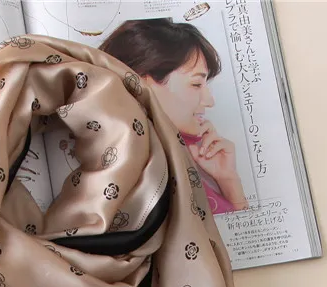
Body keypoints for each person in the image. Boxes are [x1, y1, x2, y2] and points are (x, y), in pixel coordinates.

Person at [100, 19, 249, 214]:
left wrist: (228, 180)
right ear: (142, 84)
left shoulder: (179, 162)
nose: (209, 101)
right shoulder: (133, 177)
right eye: (196, 84)